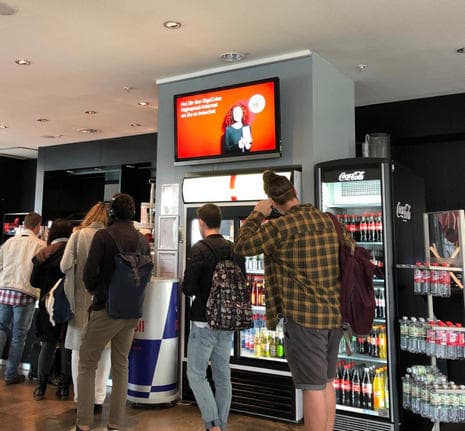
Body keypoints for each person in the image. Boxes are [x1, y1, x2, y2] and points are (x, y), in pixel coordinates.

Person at [234, 170, 354, 431]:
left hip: (305, 319)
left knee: (312, 388)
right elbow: (351, 250)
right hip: (335, 317)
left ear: (273, 202)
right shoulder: (329, 221)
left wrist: (258, 213)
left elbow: (242, 246)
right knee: (326, 382)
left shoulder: (280, 226)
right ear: (295, 194)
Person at [76, 193, 151, 431]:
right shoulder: (142, 241)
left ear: (112, 213)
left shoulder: (103, 236)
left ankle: (84, 424)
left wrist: (96, 291)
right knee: (121, 366)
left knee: (87, 363)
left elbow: (88, 273)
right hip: (131, 312)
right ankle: (116, 423)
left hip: (106, 309)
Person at [182, 203, 245, 431]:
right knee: (222, 375)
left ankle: (213, 425)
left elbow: (188, 288)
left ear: (201, 223)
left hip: (203, 321)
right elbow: (243, 283)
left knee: (196, 374)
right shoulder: (234, 248)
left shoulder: (199, 249)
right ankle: (222, 425)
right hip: (227, 321)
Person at [61, 202, 111, 412]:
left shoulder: (78, 236)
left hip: (80, 302)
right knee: (103, 351)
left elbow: (64, 266)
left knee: (79, 352)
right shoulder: (111, 237)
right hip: (106, 303)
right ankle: (99, 398)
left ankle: (82, 397)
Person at [0, 212, 46, 384]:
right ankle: (10, 374)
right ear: (38, 226)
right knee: (19, 335)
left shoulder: (9, 242)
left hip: (4, 291)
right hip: (25, 293)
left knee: (1, 328)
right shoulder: (40, 244)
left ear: (24, 224)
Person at [30, 218, 73, 400]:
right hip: (68, 304)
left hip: (47, 305)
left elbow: (34, 281)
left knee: (47, 345)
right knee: (66, 346)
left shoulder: (43, 254)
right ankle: (63, 388)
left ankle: (40, 387)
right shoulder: (72, 253)